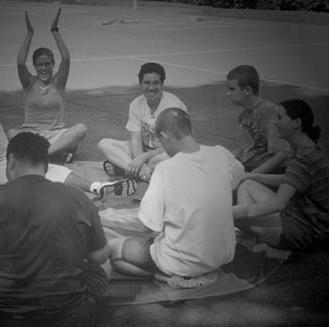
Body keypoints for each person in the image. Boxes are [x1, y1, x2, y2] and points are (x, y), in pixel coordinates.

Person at [0, 132, 110, 327]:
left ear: (11, 161)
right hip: (67, 318)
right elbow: (99, 257)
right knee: (101, 267)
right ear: (46, 164)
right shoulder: (78, 197)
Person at [0, 72, 130, 198]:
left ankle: (96, 187)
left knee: (51, 169)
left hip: (7, 159)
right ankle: (49, 206)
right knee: (29, 183)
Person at [109, 108, 242, 280]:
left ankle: (168, 277)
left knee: (113, 250)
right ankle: (178, 273)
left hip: (183, 262)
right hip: (223, 255)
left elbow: (148, 227)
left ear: (164, 137)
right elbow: (237, 176)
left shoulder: (165, 169)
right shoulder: (221, 154)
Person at [234, 99, 329, 251]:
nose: (274, 122)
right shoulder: (306, 147)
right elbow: (289, 180)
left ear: (296, 123)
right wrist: (251, 176)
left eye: (279, 117)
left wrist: (239, 213)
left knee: (236, 219)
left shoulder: (302, 159)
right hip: (299, 217)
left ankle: (259, 239)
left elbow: (279, 203)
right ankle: (254, 236)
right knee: (247, 185)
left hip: (309, 232)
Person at [12, 8, 87, 163]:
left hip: (56, 135)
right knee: (11, 134)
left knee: (81, 129)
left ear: (53, 64)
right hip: (32, 134)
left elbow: (66, 58)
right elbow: (20, 63)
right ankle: (58, 153)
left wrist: (55, 31)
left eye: (47, 64)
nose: (44, 68)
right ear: (34, 66)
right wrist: (29, 34)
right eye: (40, 65)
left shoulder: (59, 82)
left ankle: (42, 155)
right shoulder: (28, 83)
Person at [98, 62, 187, 183]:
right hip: (144, 153)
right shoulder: (136, 104)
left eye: (156, 83)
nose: (151, 88)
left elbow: (171, 145)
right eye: (147, 83)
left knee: (173, 158)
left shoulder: (173, 106)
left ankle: (127, 170)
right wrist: (142, 164)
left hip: (165, 153)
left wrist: (142, 158)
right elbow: (135, 140)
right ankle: (143, 173)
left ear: (162, 84)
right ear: (140, 84)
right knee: (104, 144)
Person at [226, 65, 290, 173]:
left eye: (232, 89)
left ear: (247, 90)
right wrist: (222, 157)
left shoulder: (270, 112)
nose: (228, 93)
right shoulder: (243, 115)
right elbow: (245, 149)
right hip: (248, 169)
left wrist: (253, 175)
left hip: (267, 173)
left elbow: (282, 154)